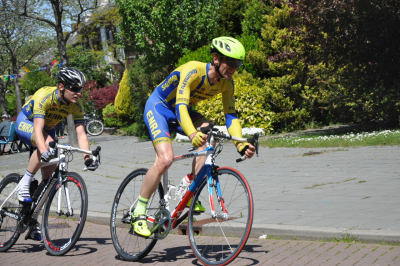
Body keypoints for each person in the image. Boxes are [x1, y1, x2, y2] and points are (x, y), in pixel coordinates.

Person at [131, 37, 256, 237]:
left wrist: (240, 145)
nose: (234, 69)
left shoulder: (226, 84)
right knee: (165, 159)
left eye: (238, 64)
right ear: (216, 59)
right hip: (159, 108)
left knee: (210, 133)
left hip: (181, 111)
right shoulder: (193, 70)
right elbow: (180, 106)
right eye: (231, 64)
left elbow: (231, 116)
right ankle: (138, 212)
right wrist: (191, 134)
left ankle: (190, 184)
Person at [15, 67, 97, 241]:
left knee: (49, 181)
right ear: (61, 86)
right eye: (74, 89)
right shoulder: (44, 97)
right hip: (27, 122)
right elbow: (37, 129)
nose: (78, 93)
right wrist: (44, 150)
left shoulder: (75, 106)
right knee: (46, 146)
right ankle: (25, 182)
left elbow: (81, 133)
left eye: (80, 89)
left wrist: (88, 158)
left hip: (48, 128)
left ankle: (32, 219)